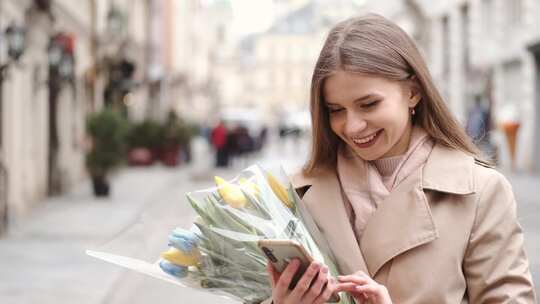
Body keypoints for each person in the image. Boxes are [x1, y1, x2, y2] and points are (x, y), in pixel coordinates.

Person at [264, 14, 536, 304]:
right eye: (335, 110)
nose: (352, 126)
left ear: (413, 92)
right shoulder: (295, 194)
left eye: (368, 104)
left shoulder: (479, 192)